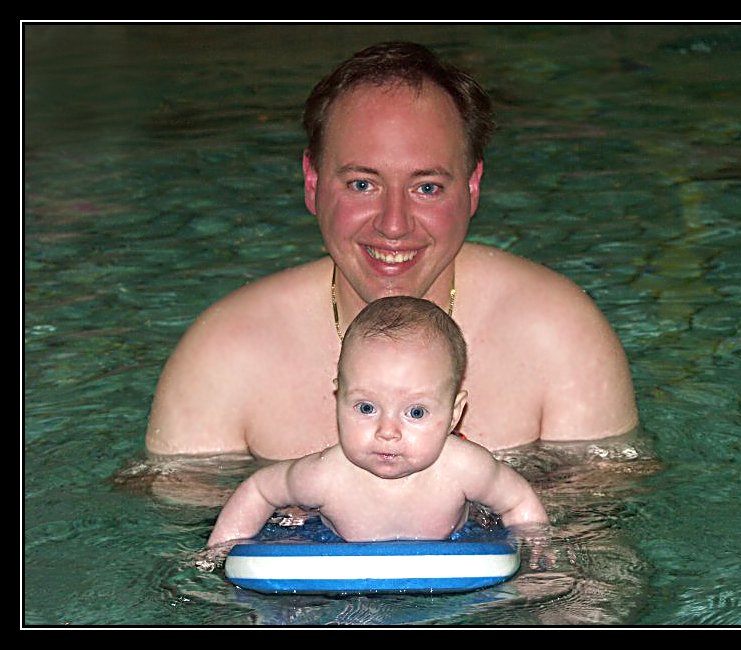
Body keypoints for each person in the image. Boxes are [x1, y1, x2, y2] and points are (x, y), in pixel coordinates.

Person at [146, 40, 638, 465]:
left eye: (426, 187)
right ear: (313, 183)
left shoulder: (558, 337)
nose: (394, 224)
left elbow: (599, 549)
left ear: (472, 189)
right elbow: (185, 555)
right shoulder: (225, 357)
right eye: (363, 184)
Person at [206, 296, 549, 551]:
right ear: (338, 399)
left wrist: (536, 549)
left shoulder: (466, 468)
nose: (387, 431)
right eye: (367, 407)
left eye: (415, 413)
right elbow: (259, 490)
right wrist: (221, 549)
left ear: (454, 414)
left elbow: (518, 501)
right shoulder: (323, 476)